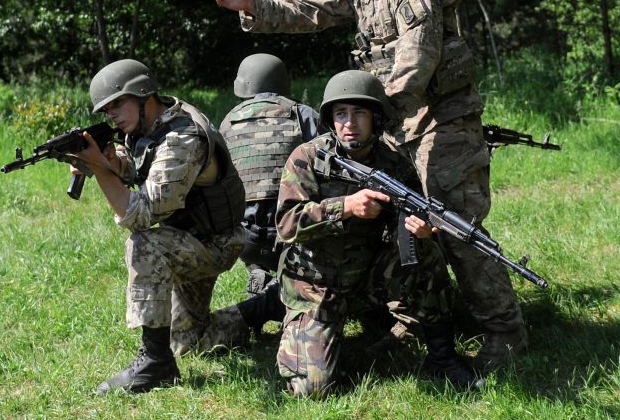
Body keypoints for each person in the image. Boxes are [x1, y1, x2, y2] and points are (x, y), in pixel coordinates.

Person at [207, 0, 526, 373]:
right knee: (386, 224)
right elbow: (310, 11)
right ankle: (409, 319)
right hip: (393, 122)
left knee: (451, 224)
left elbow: (419, 59)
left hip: (441, 120)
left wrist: (375, 120)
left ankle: (505, 332)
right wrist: (252, 4)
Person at [274, 70, 477, 397]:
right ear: (331, 119)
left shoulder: (393, 163)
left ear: (376, 118)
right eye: (341, 113)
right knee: (312, 389)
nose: (349, 122)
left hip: (367, 278)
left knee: (427, 254)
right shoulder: (308, 158)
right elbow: (286, 224)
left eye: (359, 113)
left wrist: (421, 232)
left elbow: (412, 222)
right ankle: (282, 314)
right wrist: (345, 206)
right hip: (314, 284)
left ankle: (441, 356)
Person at [71, 59, 246, 395]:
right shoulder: (148, 124)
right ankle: (262, 308)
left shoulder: (182, 137)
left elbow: (141, 214)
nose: (113, 115)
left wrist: (100, 169)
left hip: (215, 244)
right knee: (188, 339)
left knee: (143, 245)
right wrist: (110, 162)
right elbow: (137, 165)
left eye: (118, 103)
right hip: (190, 236)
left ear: (142, 94)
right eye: (107, 110)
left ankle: (155, 363)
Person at [218, 53, 319, 334]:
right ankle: (278, 291)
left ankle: (257, 271)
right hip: (291, 236)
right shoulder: (303, 114)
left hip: (244, 239)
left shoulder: (228, 122)